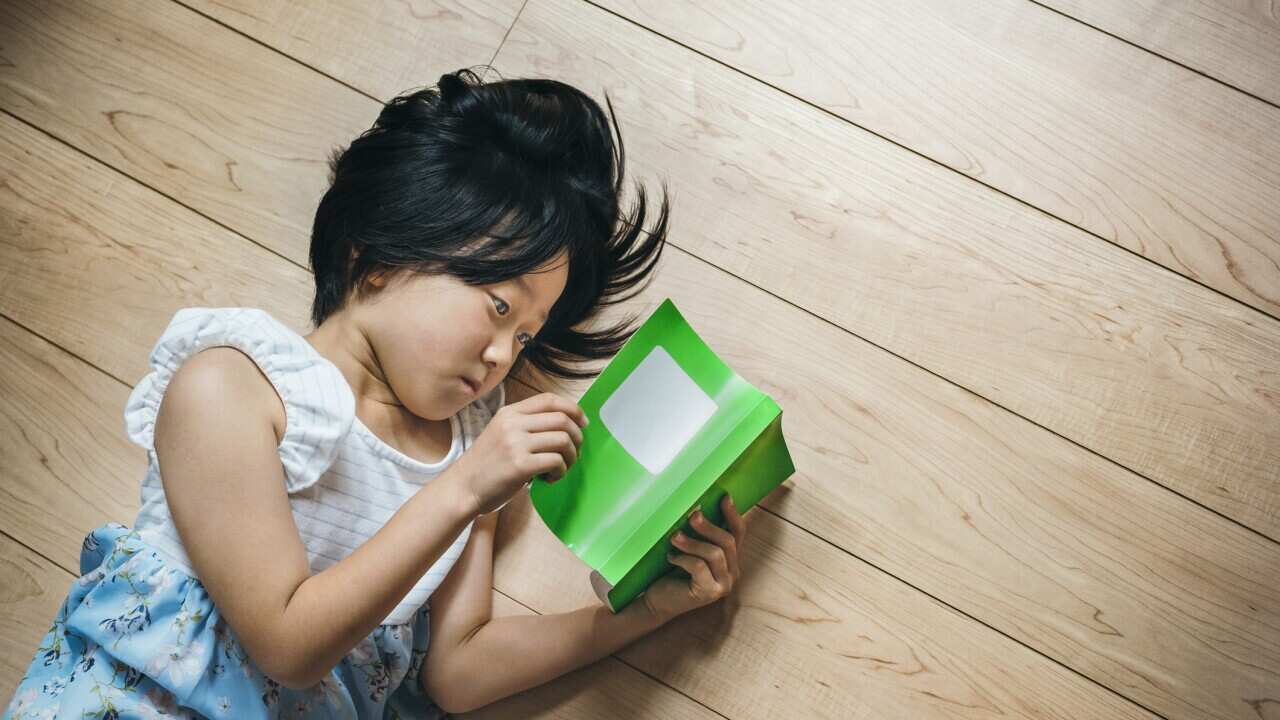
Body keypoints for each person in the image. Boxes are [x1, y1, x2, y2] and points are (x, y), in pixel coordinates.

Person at [4, 67, 753, 719]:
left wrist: (640, 613)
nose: (503, 355)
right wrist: (469, 488)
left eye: (527, 336)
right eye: (498, 305)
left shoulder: (468, 452)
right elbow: (288, 644)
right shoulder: (231, 383)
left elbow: (458, 673)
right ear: (381, 254)